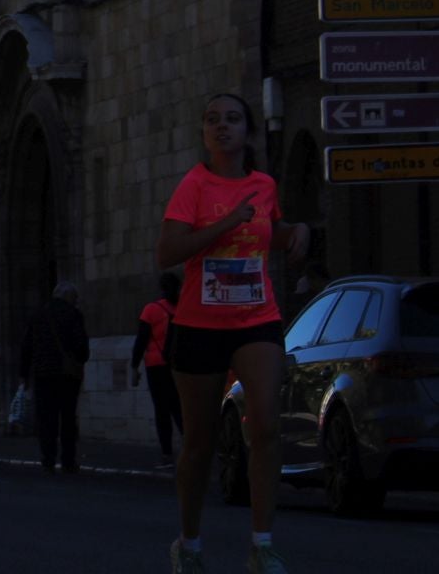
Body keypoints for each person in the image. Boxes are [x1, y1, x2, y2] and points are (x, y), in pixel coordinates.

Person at [160, 93, 309, 574]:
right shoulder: (194, 185)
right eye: (212, 121)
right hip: (199, 324)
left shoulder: (264, 185)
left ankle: (262, 545)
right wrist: (226, 222)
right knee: (200, 444)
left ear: (248, 131)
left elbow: (273, 231)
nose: (221, 127)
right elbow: (168, 252)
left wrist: (296, 233)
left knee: (265, 423)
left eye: (232, 119)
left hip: (255, 318)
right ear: (204, 134)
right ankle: (189, 542)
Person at [21, 281, 89, 474]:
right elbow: (81, 345)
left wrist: (24, 373)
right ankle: (68, 460)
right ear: (69, 297)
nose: (76, 302)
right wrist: (80, 359)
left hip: (43, 373)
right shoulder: (74, 315)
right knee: (68, 417)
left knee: (46, 418)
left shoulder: (38, 315)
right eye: (75, 299)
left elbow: (27, 345)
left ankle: (48, 458)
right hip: (67, 375)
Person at [131, 271, 184, 467]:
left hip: (156, 365)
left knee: (162, 410)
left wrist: (134, 367)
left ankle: (166, 453)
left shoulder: (151, 310)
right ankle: (190, 446)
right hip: (179, 366)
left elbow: (141, 340)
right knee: (179, 407)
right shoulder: (182, 309)